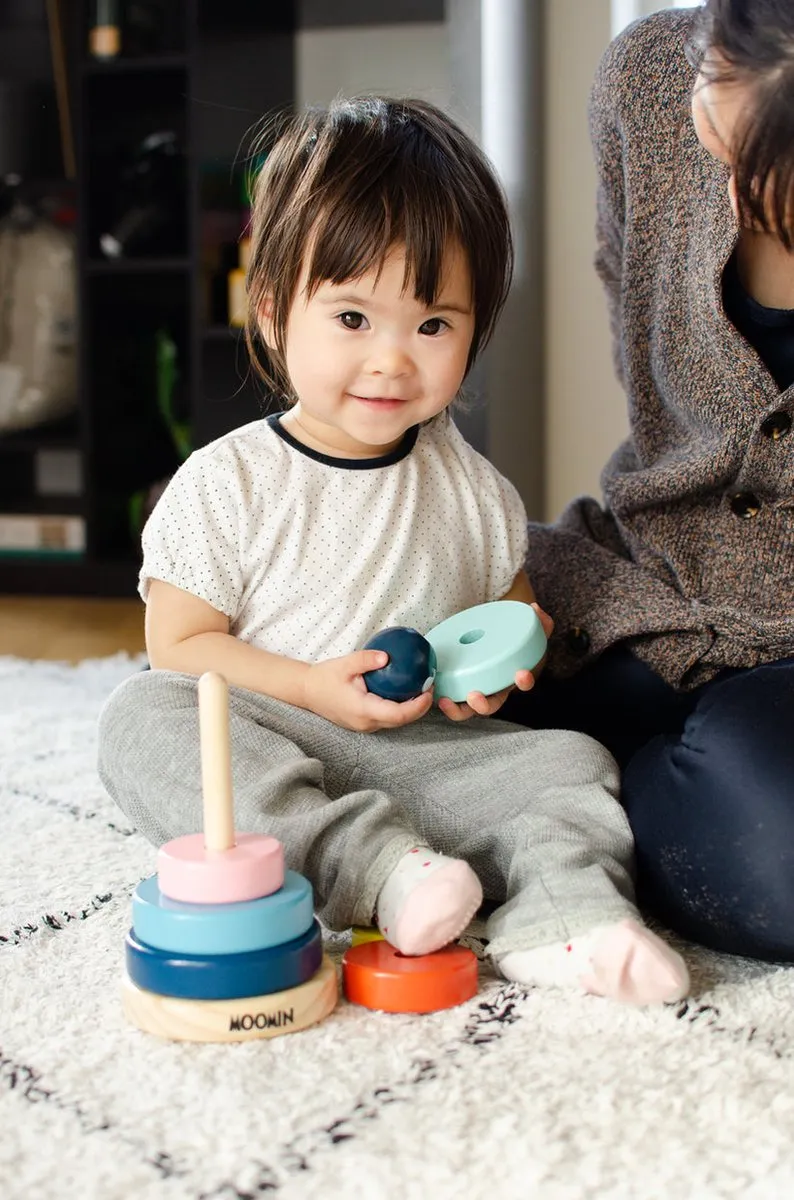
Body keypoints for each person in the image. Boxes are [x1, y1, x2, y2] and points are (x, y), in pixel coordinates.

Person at [97, 95, 688, 1005]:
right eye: (351, 319)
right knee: (143, 720)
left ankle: (568, 919)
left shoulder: (477, 491)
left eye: (433, 325)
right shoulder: (227, 483)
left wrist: (493, 673)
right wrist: (308, 685)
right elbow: (179, 648)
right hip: (277, 735)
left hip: (431, 763)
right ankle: (382, 872)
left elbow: (501, 622)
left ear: (474, 330)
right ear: (270, 310)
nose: (391, 361)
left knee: (572, 764)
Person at [503, 1, 794, 963]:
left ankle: (563, 807)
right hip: (655, 574)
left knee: (780, 866)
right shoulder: (646, 78)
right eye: (715, 87)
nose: (708, 146)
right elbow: (651, 380)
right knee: (426, 676)